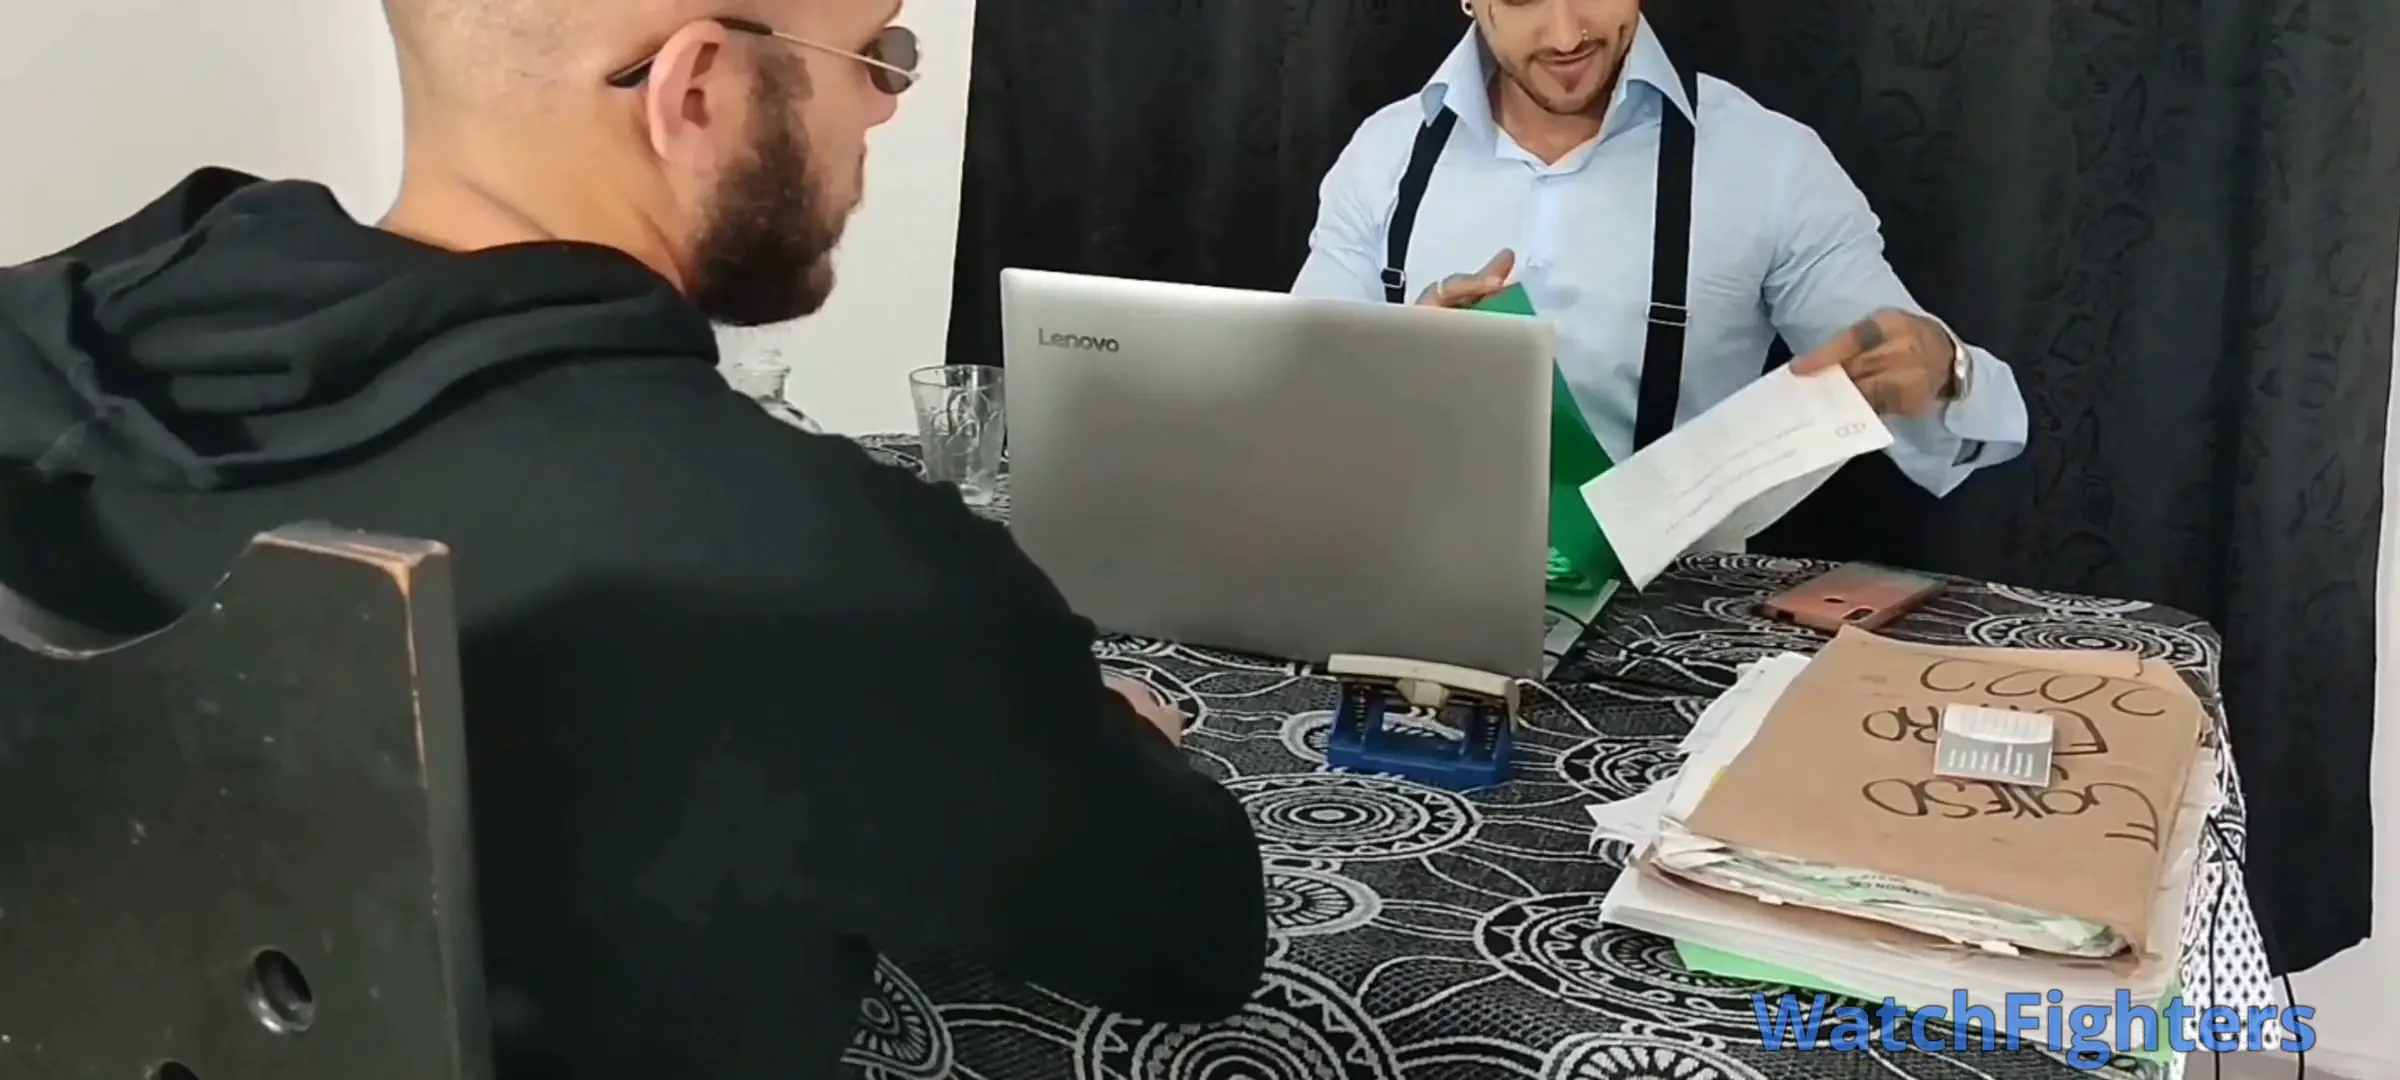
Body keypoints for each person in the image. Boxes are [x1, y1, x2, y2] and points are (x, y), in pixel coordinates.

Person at [0, 1, 1268, 1076]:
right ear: (697, 90)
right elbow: (1193, 939)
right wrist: (1076, 726)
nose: (886, 110)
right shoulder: (818, 564)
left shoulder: (39, 346)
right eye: (879, 57)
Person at [1293, 0, 2028, 496]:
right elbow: (1289, 421)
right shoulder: (1384, 156)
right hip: (1411, 597)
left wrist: (1945, 373)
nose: (1564, 35)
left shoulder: (1769, 165)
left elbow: (1940, 407)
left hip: (1668, 631)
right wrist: (1400, 368)